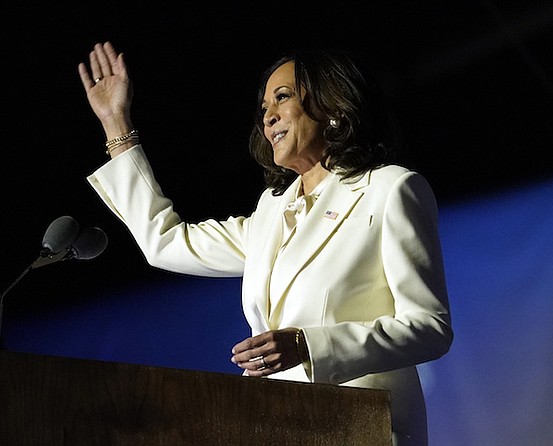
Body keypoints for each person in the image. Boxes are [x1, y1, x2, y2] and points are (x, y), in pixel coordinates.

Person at [78, 41, 453, 446]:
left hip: (362, 427)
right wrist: (116, 125)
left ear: (333, 106)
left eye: (283, 97)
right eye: (263, 109)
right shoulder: (272, 212)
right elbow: (164, 243)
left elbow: (429, 327)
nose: (268, 116)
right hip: (272, 424)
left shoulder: (390, 189)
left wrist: (306, 345)